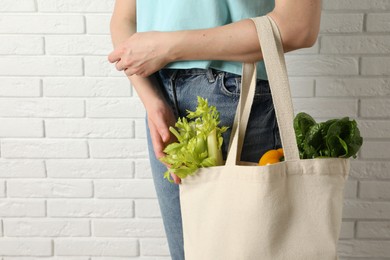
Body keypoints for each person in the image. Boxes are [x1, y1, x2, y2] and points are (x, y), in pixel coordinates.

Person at [108, 0, 321, 259]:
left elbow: (298, 27)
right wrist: (151, 101)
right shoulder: (155, 102)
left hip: (235, 96)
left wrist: (166, 48)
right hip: (159, 97)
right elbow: (124, 19)